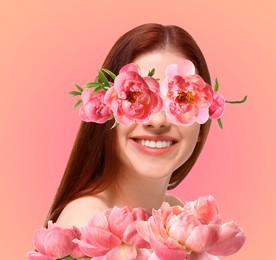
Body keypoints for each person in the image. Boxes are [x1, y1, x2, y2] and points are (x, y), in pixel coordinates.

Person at [45, 23, 212, 229]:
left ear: (203, 122)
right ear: (105, 112)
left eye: (181, 99)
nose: (158, 120)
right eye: (135, 98)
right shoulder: (90, 221)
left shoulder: (174, 214)